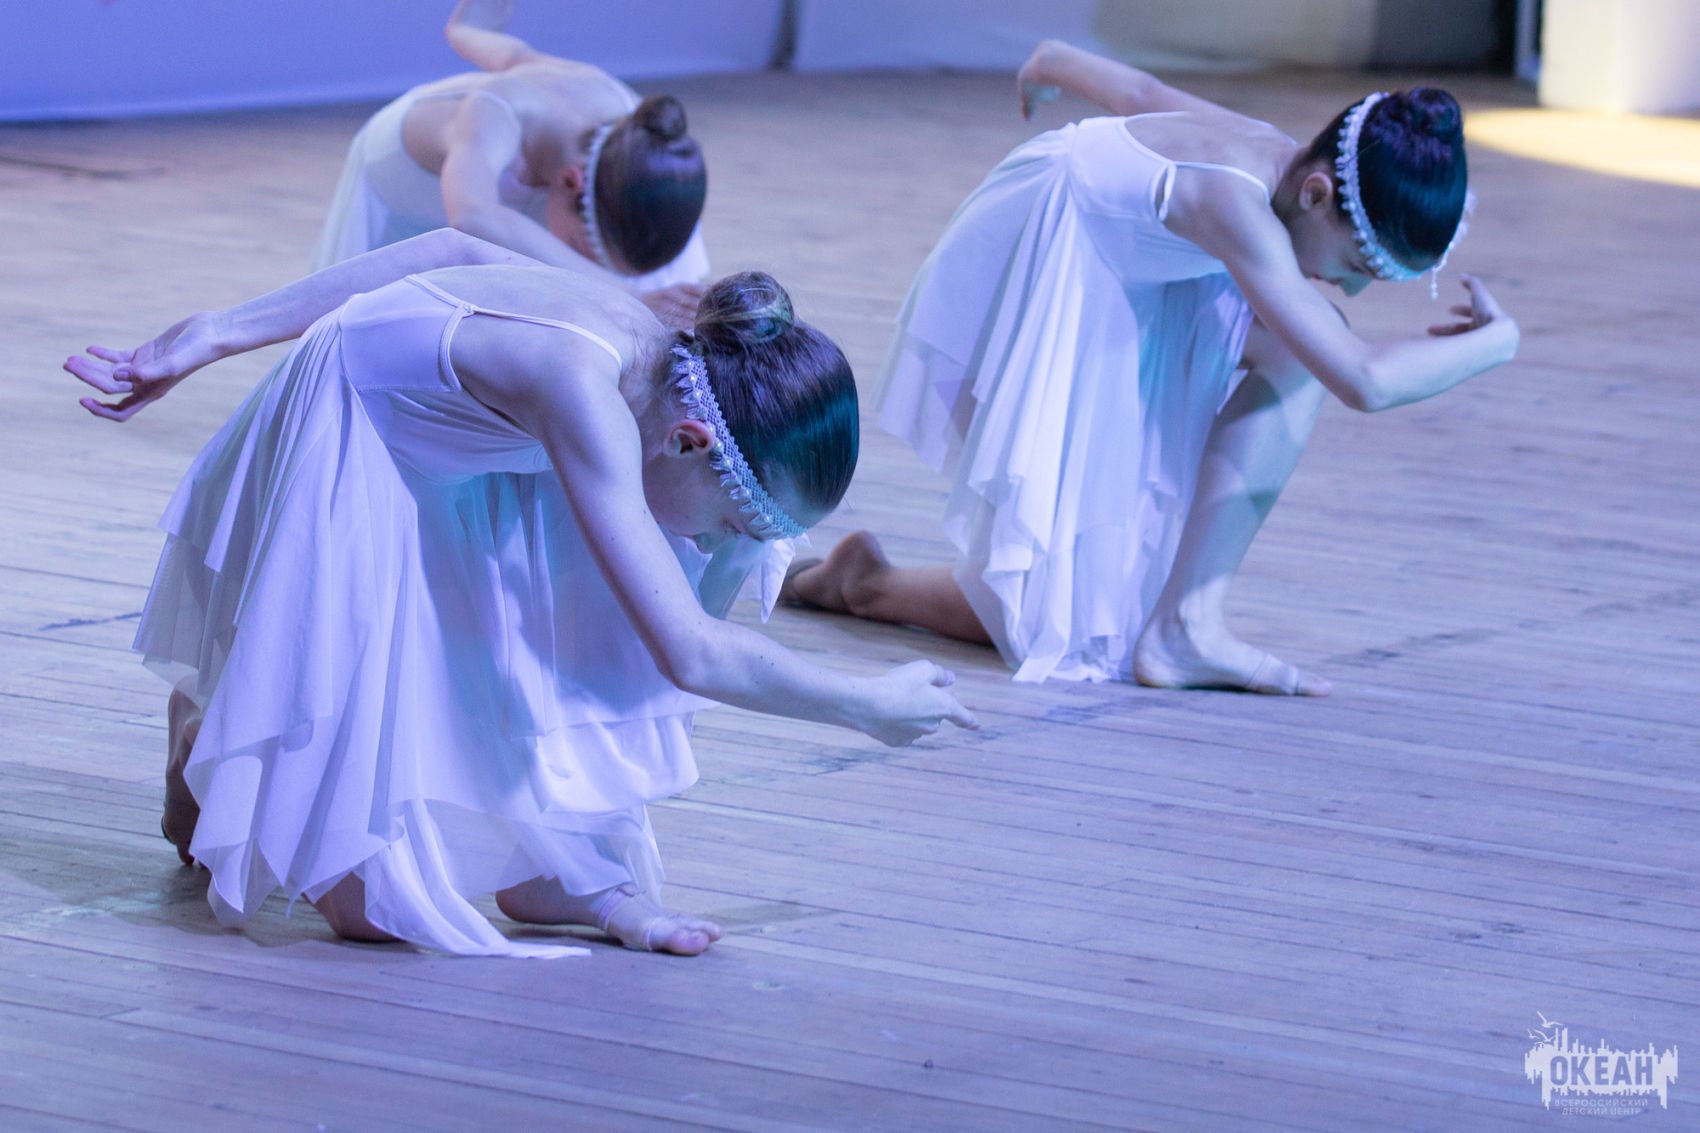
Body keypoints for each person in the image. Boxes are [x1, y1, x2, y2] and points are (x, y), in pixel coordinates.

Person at [66, 229, 976, 957]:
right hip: (351, 432)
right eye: (734, 520)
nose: (722, 544)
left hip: (469, 449)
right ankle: (211, 724)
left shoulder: (654, 371)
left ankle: (558, 867)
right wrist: (865, 702)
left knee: (630, 582)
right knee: (373, 911)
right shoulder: (584, 388)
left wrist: (740, 546)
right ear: (691, 439)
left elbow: (454, 248)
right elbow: (691, 653)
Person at [782, 40, 1519, 695]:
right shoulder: (1232, 200)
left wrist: (1056, 61)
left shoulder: (1279, 159)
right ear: (1317, 192)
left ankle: (874, 582)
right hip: (1040, 265)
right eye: (1357, 265)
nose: (1350, 288)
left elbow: (1143, 94)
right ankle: (1178, 625)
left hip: (1120, 271)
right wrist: (1498, 342)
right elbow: (1364, 380)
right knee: (1060, 617)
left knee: (1086, 603)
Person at [317, 0, 708, 326]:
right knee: (392, 315)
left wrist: (466, 30)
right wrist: (626, 293)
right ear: (569, 181)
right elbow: (470, 216)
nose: (580, 257)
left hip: (514, 167)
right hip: (409, 173)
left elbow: (515, 55)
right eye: (579, 246)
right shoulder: (493, 113)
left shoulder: (632, 126)